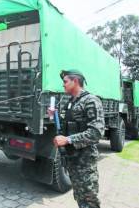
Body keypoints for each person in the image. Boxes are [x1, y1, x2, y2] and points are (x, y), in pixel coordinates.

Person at [49, 69, 104, 208]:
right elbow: (68, 126)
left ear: (75, 81)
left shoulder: (91, 100)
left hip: (84, 162)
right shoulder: (71, 102)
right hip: (72, 159)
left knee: (89, 199)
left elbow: (96, 132)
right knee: (80, 197)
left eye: (65, 81)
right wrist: (54, 116)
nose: (63, 85)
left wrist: (67, 140)